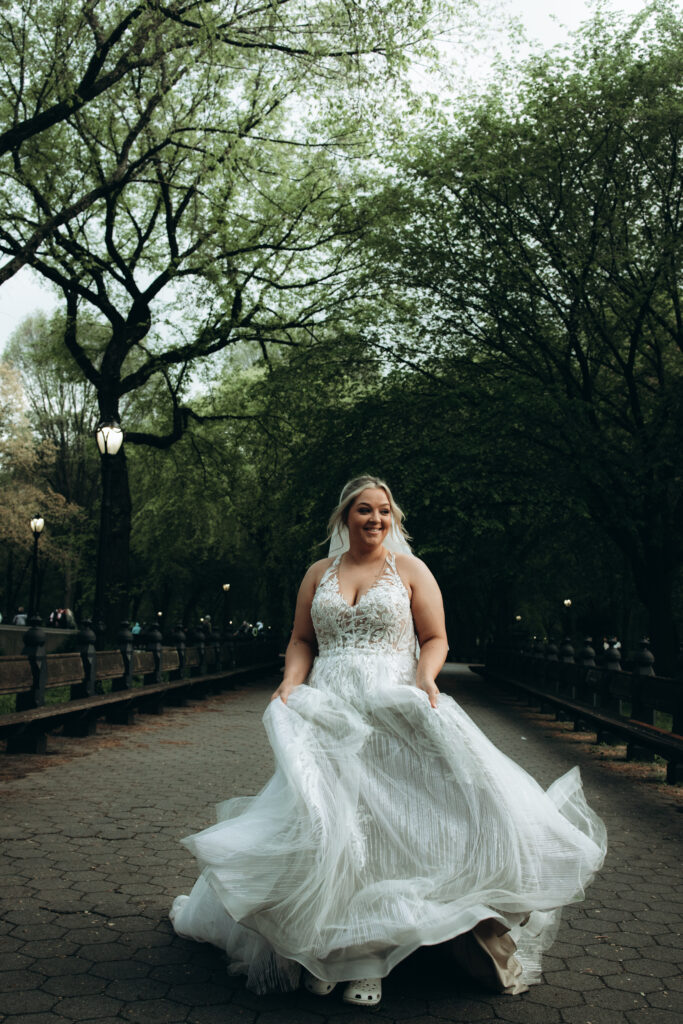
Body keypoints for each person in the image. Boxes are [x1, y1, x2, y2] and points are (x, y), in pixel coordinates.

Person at [171, 476, 606, 1008]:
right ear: (344, 518)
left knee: (393, 832)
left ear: (392, 519)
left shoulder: (410, 571)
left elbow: (436, 637)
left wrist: (426, 678)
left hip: (393, 707)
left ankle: (372, 963)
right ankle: (329, 950)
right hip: (330, 708)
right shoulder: (318, 574)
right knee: (331, 828)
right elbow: (303, 639)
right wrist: (290, 681)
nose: (375, 519)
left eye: (383, 511)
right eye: (363, 510)